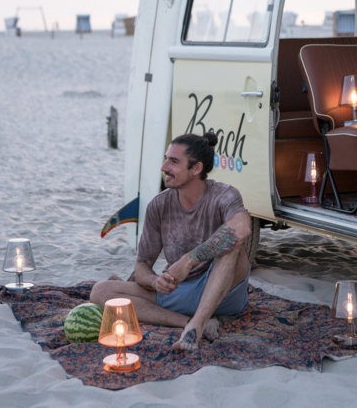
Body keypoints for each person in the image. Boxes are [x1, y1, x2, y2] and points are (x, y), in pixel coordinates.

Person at [90, 132, 252, 351]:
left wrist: (188, 260)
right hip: (179, 293)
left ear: (196, 169)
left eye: (174, 162)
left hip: (223, 294)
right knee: (100, 291)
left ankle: (197, 323)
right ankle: (187, 322)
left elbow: (242, 227)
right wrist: (156, 282)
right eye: (166, 159)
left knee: (231, 244)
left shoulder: (223, 195)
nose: (164, 167)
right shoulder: (159, 205)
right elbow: (141, 267)